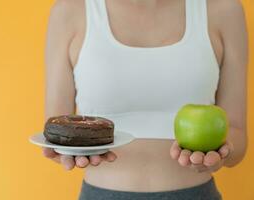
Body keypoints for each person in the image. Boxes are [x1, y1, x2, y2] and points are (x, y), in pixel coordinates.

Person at [42, 0, 248, 199]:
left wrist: (222, 153)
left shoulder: (224, 10)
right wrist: (64, 152)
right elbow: (54, 133)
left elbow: (237, 134)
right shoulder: (69, 11)